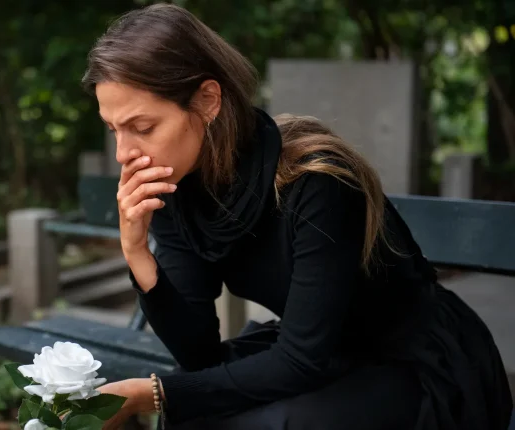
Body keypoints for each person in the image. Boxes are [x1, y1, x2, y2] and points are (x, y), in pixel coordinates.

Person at [81, 4, 513, 430]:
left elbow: (301, 360)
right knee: (200, 413)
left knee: (254, 420)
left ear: (208, 100)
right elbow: (199, 357)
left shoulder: (316, 180)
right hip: (321, 353)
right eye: (114, 128)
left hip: (411, 361)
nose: (124, 154)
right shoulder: (176, 187)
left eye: (142, 127)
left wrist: (152, 394)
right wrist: (137, 252)